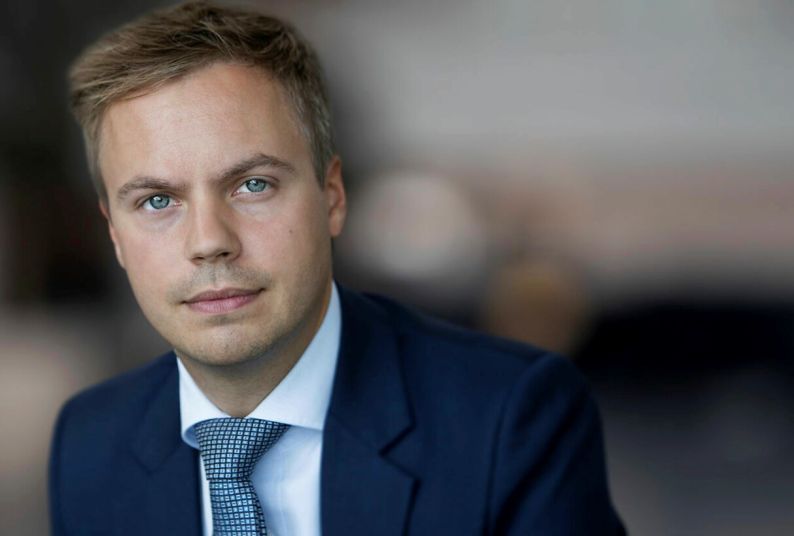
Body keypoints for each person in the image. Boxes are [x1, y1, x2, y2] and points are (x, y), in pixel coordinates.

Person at [49, 2, 625, 534]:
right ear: (114, 233)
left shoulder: (512, 420)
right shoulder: (88, 444)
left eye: (253, 185)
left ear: (332, 196)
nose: (209, 242)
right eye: (156, 201)